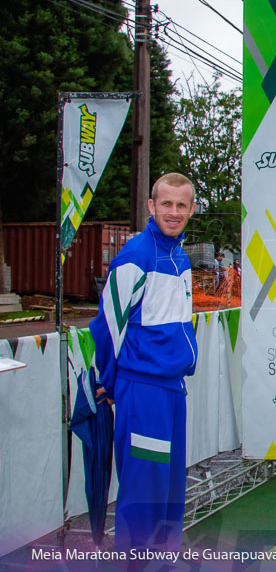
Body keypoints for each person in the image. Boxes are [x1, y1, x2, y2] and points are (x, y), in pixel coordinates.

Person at [89, 173, 198, 553]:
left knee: (168, 489)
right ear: (151, 207)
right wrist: (108, 379)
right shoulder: (136, 255)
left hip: (172, 388)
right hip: (143, 389)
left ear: (191, 209)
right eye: (165, 204)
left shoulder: (180, 255)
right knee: (143, 491)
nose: (173, 212)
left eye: (181, 205)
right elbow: (106, 323)